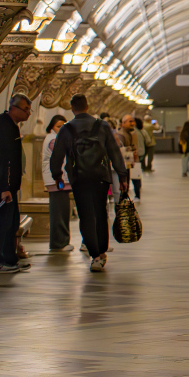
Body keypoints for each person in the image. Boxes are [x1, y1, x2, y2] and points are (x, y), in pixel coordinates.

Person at [50, 94, 127, 273]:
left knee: (85, 216)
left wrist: (57, 176)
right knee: (100, 213)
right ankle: (102, 250)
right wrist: (122, 176)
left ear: (72, 108)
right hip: (100, 177)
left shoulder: (66, 129)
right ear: (88, 106)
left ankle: (95, 255)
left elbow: (57, 156)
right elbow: (115, 152)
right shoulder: (102, 126)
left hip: (79, 178)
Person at [0, 94, 32, 274]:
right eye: (26, 109)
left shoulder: (10, 125)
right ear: (15, 108)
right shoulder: (4, 126)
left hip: (10, 187)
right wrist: (4, 188)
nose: (29, 113)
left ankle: (10, 259)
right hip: (4, 187)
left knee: (11, 223)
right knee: (2, 224)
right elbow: (1, 160)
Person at [41, 114, 75, 254]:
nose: (61, 129)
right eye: (58, 127)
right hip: (56, 180)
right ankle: (58, 242)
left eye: (63, 126)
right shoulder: (53, 139)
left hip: (60, 180)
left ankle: (62, 240)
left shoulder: (56, 138)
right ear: (52, 127)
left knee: (63, 210)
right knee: (59, 211)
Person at [121, 115, 142, 200]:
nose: (132, 123)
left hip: (134, 160)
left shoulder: (134, 133)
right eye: (130, 122)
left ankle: (137, 195)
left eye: (133, 121)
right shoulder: (121, 134)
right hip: (125, 162)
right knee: (126, 179)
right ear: (123, 123)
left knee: (136, 178)